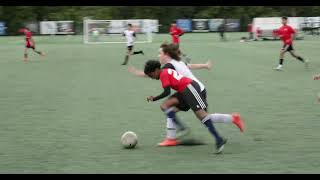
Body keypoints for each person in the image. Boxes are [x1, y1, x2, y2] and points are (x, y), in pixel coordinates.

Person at [143, 60, 245, 154]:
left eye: (151, 74)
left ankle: (219, 138)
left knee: (202, 116)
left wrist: (154, 98)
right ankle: (179, 130)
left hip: (190, 88)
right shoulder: (166, 70)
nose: (151, 77)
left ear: (156, 70)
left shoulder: (163, 74)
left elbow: (167, 92)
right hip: (183, 91)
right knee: (165, 106)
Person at [128, 43, 215, 146]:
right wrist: (205, 65)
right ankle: (231, 118)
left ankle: (177, 133)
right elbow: (190, 66)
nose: (158, 55)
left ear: (166, 54)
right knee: (172, 109)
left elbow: (156, 73)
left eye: (160, 53)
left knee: (169, 107)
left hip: (192, 90)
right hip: (192, 89)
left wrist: (139, 73)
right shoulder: (177, 62)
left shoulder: (169, 65)